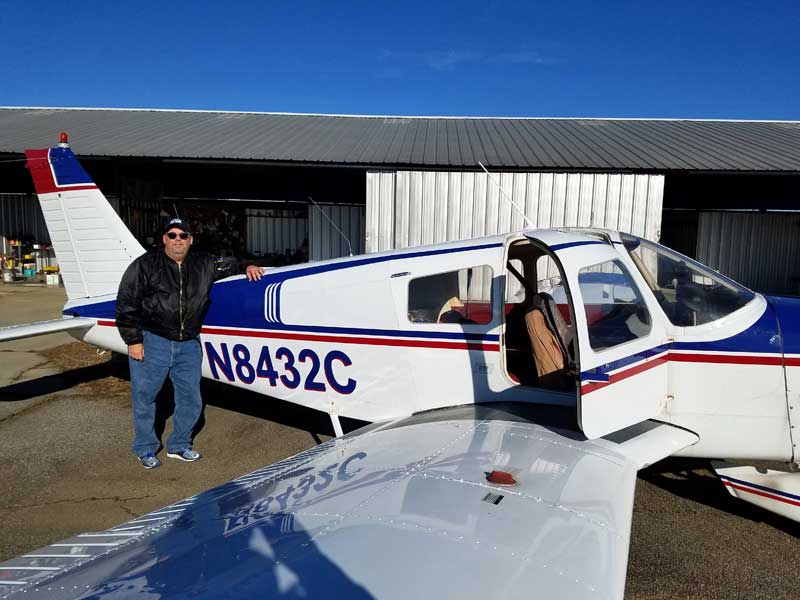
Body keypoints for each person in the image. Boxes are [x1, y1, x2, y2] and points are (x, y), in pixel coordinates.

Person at [116, 218, 264, 469]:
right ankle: (145, 447)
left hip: (189, 344)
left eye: (183, 235)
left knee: (191, 398)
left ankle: (180, 444)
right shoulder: (145, 265)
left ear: (190, 239)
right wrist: (133, 340)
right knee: (145, 397)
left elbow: (231, 263)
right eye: (171, 235)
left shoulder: (203, 263)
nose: (177, 240)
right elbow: (126, 302)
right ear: (164, 239)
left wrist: (247, 265)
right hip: (154, 340)